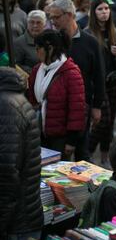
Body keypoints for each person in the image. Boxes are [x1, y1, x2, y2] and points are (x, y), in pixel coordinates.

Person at [48, 0, 105, 160]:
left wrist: (97, 105)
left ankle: (87, 186)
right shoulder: (54, 41)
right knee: (59, 154)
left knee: (82, 152)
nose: (53, 21)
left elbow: (99, 75)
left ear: (70, 15)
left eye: (56, 17)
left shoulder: (90, 42)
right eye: (51, 18)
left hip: (82, 106)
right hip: (57, 108)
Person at [0, 67, 43, 240]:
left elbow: (7, 176)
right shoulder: (13, 100)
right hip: (23, 218)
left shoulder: (5, 108)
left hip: (17, 224)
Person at [28, 29, 86, 160]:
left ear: (51, 48)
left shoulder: (71, 73)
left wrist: (71, 141)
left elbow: (76, 109)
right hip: (39, 133)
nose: (36, 52)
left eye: (39, 48)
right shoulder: (37, 70)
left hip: (60, 137)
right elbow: (32, 99)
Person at [86, 0, 116, 167]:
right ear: (93, 13)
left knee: (109, 123)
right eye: (100, 9)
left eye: (106, 9)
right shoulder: (88, 33)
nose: (104, 13)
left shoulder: (113, 31)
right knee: (102, 121)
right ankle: (87, 152)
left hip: (113, 81)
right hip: (98, 84)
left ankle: (104, 157)